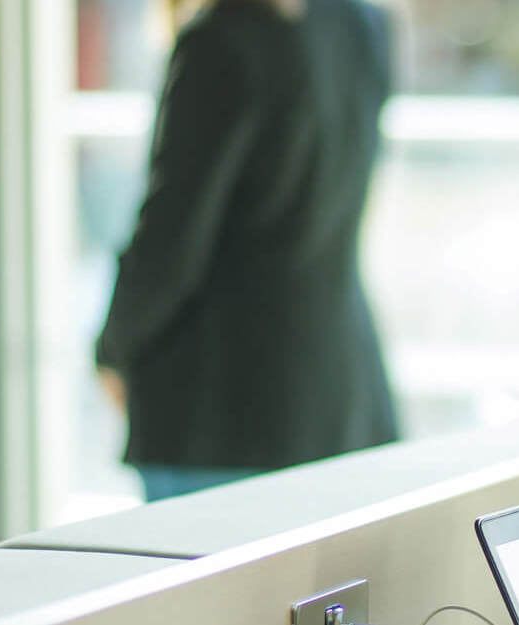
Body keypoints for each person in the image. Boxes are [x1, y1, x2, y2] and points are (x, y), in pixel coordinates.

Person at [96, 0, 400, 502]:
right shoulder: (359, 23)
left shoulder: (222, 42)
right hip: (338, 393)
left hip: (221, 411)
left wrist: (112, 350)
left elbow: (170, 240)